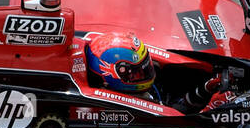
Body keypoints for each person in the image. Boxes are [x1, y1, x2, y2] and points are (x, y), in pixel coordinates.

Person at [84, 31, 234, 113]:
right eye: (138, 72)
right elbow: (178, 116)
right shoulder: (140, 104)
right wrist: (208, 95)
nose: (147, 72)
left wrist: (205, 87)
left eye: (145, 66)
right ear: (114, 76)